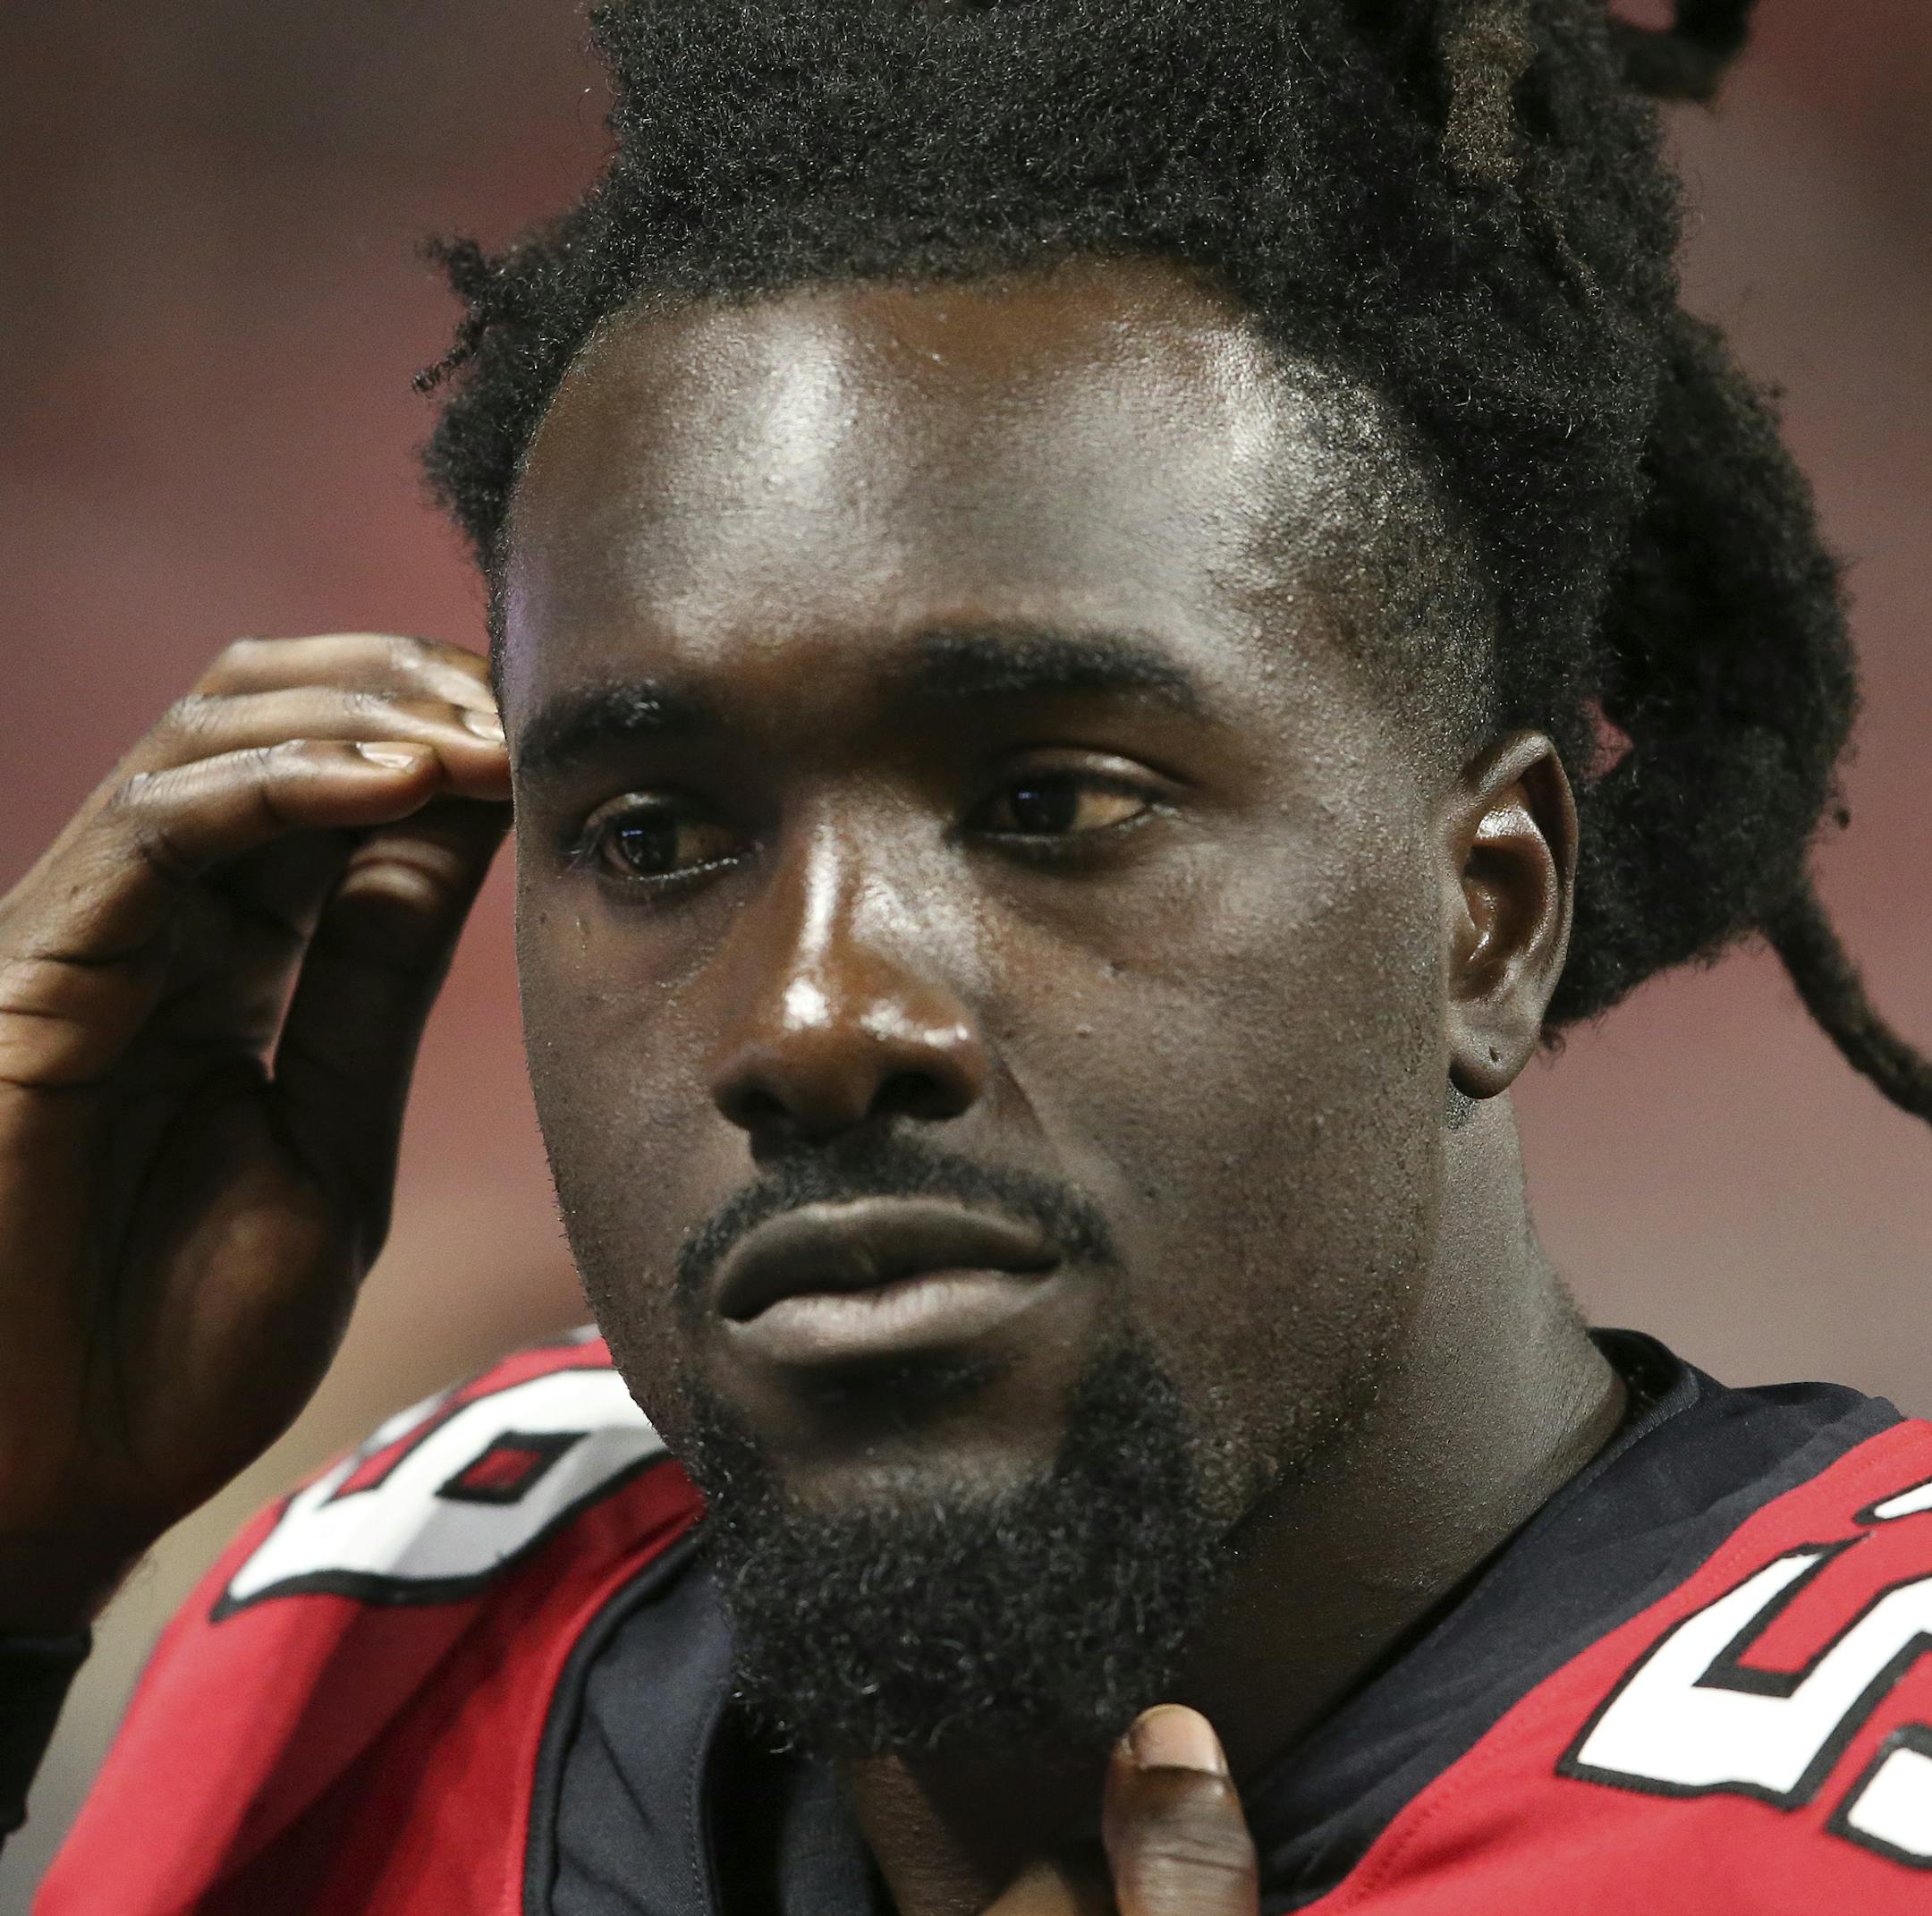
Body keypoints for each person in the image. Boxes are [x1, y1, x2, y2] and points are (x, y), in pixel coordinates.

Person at [4, 0, 1929, 1909]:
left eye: (1052, 806)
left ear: (1490, 912)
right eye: (656, 839)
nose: (814, 1016)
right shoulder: (396, 1635)